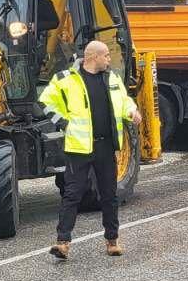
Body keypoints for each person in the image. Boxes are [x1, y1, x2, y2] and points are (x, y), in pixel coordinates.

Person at [40, 39, 141, 261]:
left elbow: (125, 101)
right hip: (78, 148)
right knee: (72, 195)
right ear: (93, 56)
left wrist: (132, 111)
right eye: (106, 55)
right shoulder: (66, 80)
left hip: (106, 146)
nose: (109, 59)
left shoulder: (112, 78)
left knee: (109, 195)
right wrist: (64, 123)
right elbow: (45, 100)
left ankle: (112, 240)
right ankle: (63, 243)